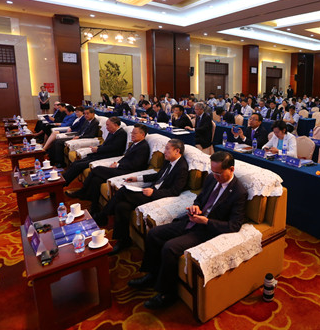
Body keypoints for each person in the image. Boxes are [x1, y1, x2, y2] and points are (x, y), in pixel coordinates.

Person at [128, 151, 248, 309]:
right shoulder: (211, 178)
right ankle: (152, 275)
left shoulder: (239, 192)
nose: (215, 176)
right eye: (213, 171)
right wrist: (196, 206)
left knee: (170, 248)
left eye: (218, 173)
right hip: (192, 220)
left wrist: (206, 221)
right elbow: (200, 198)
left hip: (206, 230)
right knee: (154, 234)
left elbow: (234, 225)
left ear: (231, 169)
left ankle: (167, 294)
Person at [95, 139, 190, 254]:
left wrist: (153, 193)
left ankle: (102, 215)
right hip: (151, 190)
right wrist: (137, 178)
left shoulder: (182, 167)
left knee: (123, 191)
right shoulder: (169, 161)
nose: (164, 151)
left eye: (167, 149)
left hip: (158, 197)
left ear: (177, 151)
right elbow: (158, 175)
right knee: (121, 207)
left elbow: (175, 191)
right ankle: (124, 241)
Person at [67, 124, 150, 214]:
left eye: (135, 133)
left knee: (97, 169)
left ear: (142, 134)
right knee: (96, 180)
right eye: (132, 133)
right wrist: (117, 163)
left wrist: (118, 165)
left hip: (127, 172)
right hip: (121, 167)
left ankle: (82, 191)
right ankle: (94, 207)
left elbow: (136, 165)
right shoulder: (135, 144)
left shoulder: (143, 147)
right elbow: (126, 158)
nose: (132, 135)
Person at [62, 116, 128, 185]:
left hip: (107, 156)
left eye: (108, 125)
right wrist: (96, 147)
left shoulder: (121, 134)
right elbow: (105, 144)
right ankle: (62, 180)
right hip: (100, 153)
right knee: (75, 163)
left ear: (115, 125)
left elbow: (114, 148)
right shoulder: (112, 132)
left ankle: (63, 183)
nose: (106, 127)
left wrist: (98, 149)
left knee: (78, 165)